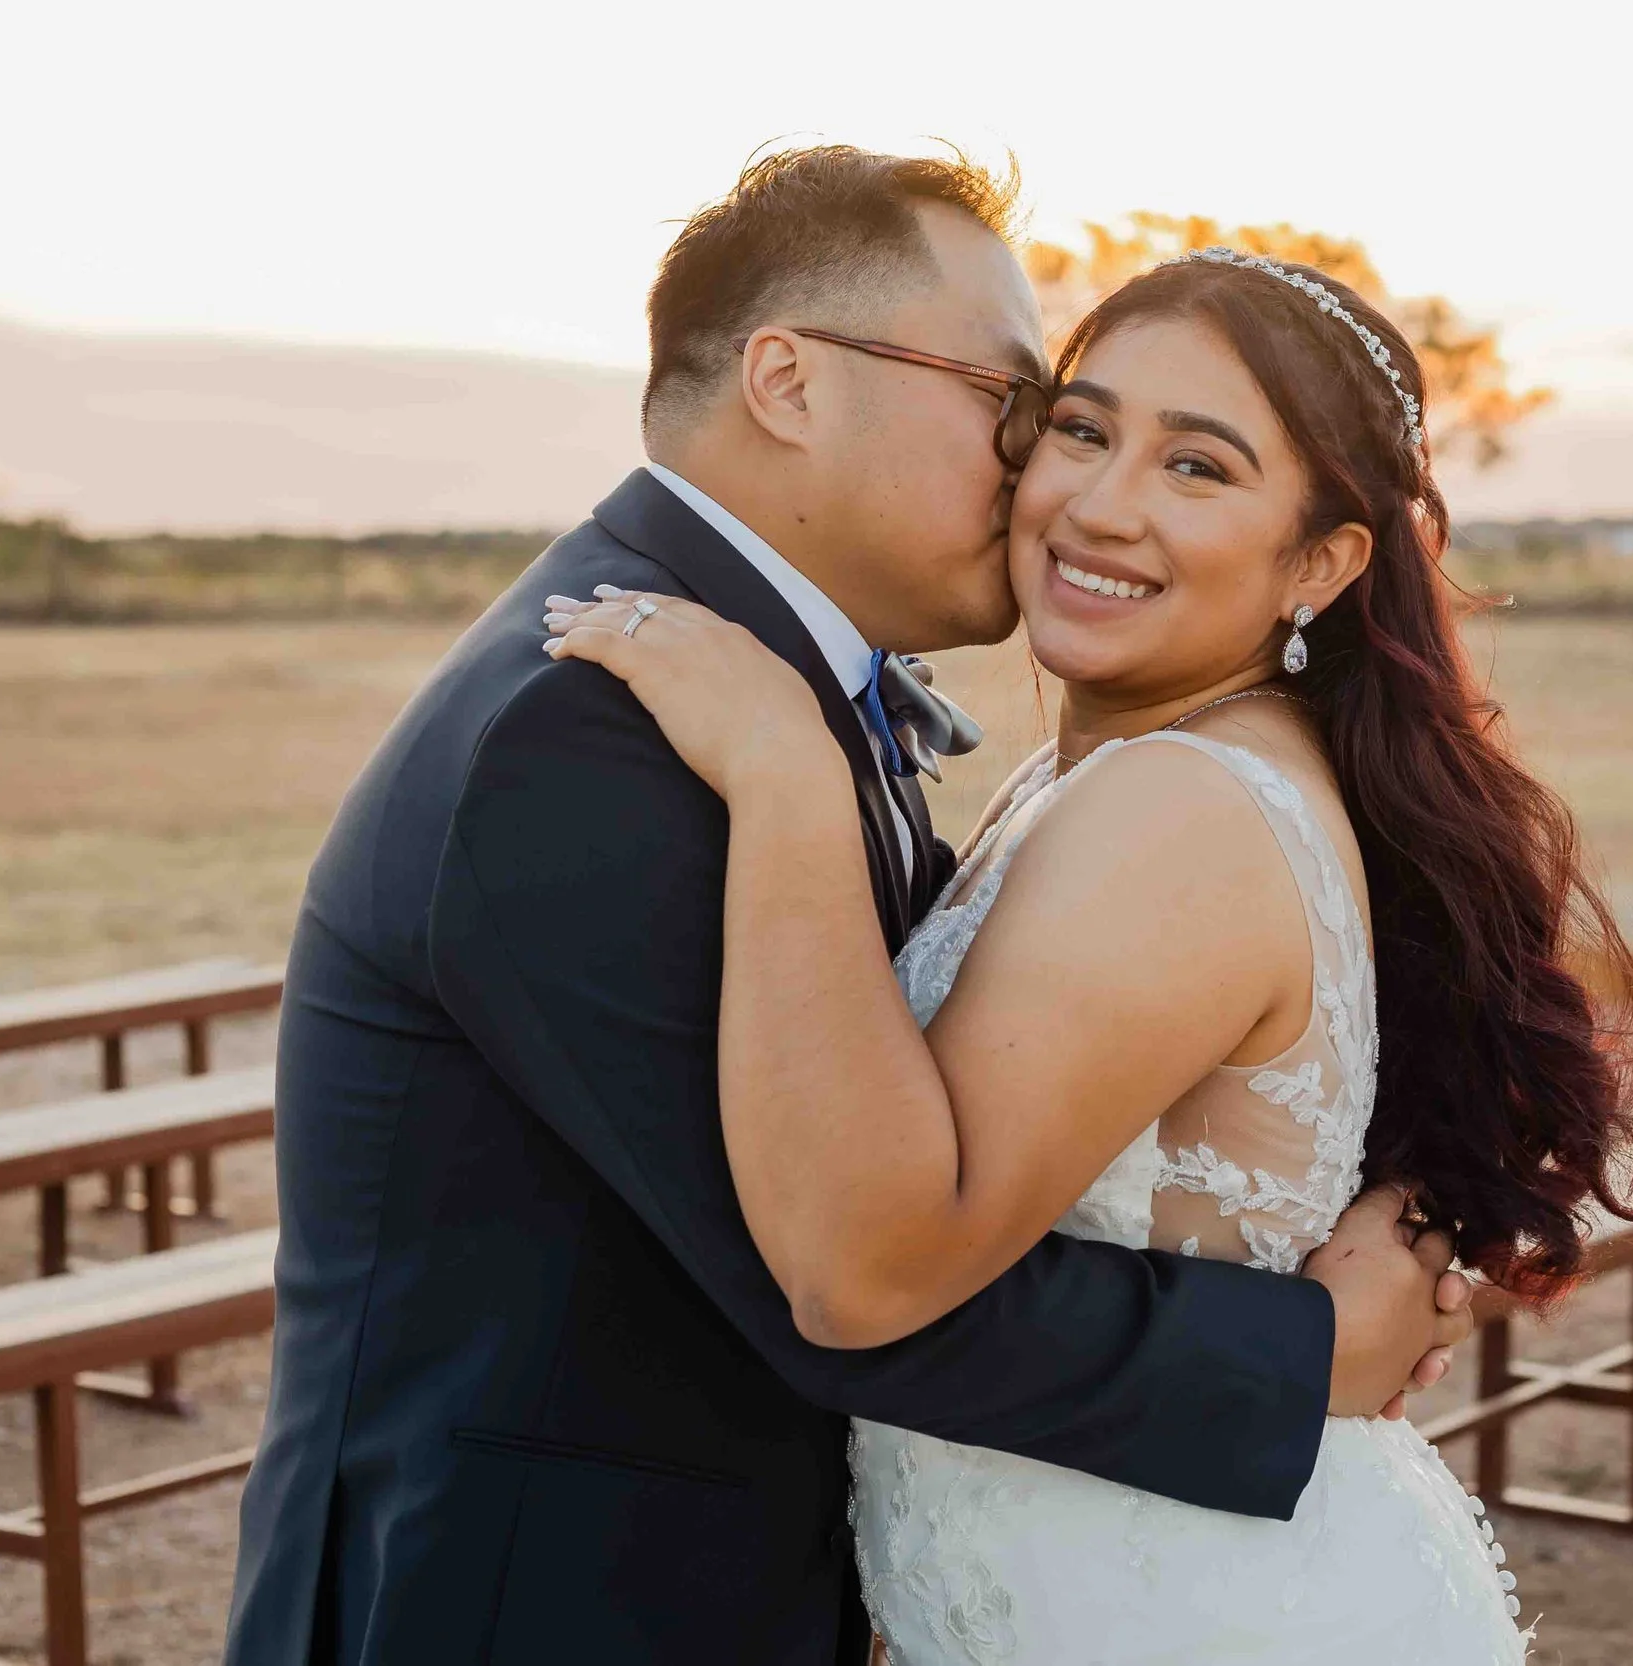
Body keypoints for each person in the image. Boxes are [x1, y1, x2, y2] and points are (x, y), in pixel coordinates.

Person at [224, 150, 1473, 1666]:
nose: (1044, 474)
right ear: (790, 381)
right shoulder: (598, 729)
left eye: (1183, 459)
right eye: (1030, 408)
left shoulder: (791, 691)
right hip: (524, 1608)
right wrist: (1302, 1352)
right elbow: (837, 1269)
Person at [541, 244, 1633, 1660]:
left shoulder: (1181, 804)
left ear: (1317, 564)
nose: (1100, 501)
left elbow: (865, 1269)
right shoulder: (1128, 771)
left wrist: (785, 777)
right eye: (1082, 428)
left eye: (1197, 468)